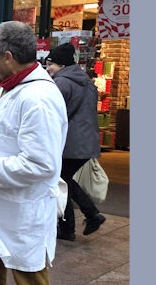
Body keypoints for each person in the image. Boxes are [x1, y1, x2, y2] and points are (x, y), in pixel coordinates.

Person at [0, 21, 68, 284]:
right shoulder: (19, 86)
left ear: (8, 56)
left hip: (20, 211)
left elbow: (41, 165)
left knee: (27, 275)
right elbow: (3, 116)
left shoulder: (38, 98)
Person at [45, 43, 105, 241]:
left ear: (61, 65)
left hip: (71, 142)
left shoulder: (61, 83)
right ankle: (83, 218)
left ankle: (75, 223)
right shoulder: (86, 81)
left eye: (51, 64)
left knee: (60, 180)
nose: (48, 69)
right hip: (86, 141)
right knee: (64, 179)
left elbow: (57, 114)